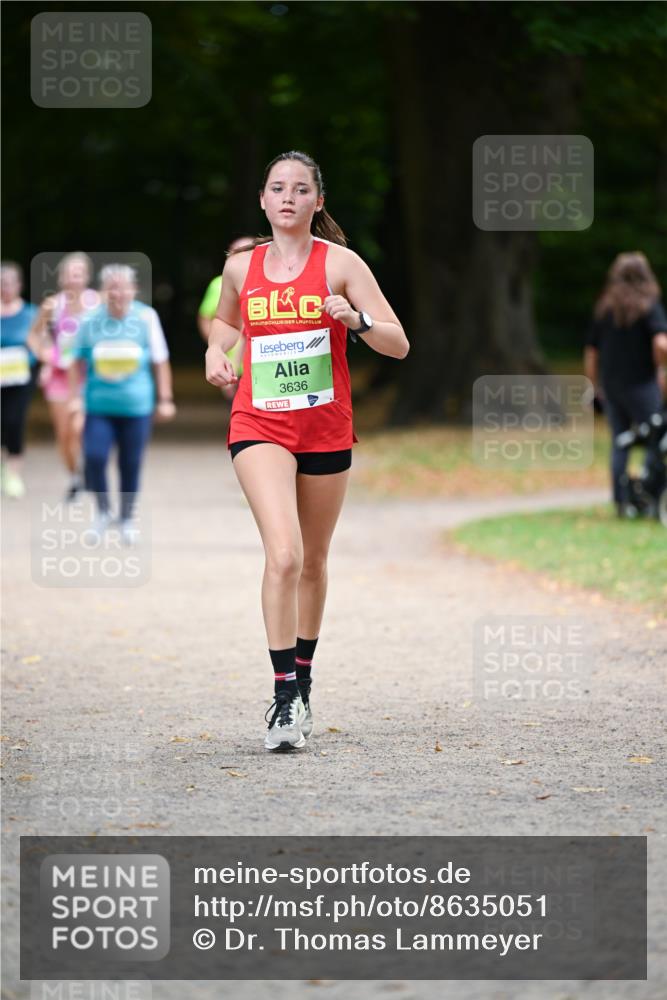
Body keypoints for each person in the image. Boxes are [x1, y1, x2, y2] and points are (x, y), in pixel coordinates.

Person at [205, 150, 409, 752]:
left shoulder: (342, 264)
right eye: (277, 188)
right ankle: (284, 695)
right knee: (286, 554)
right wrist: (218, 354)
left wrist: (357, 319)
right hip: (259, 421)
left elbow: (399, 344)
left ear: (317, 201)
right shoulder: (243, 268)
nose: (288, 197)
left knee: (315, 560)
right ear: (263, 201)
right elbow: (226, 326)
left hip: (324, 425)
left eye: (300, 189)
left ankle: (306, 678)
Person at [67, 264, 176, 543]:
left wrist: (165, 399)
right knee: (94, 456)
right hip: (98, 406)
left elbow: (160, 361)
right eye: (112, 287)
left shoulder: (146, 317)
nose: (117, 293)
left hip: (136, 407)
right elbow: (74, 362)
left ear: (134, 290)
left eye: (123, 287)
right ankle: (103, 511)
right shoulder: (90, 321)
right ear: (104, 291)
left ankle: (126, 518)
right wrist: (75, 398)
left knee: (130, 462)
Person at [584, 251, 667, 516]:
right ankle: (649, 494)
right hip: (642, 385)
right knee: (656, 438)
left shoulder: (605, 309)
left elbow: (591, 352)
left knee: (620, 442)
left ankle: (621, 501)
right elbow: (661, 343)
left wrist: (594, 385)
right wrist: (662, 367)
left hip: (611, 387)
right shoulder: (648, 306)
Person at [28, 252, 99, 501]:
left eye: (79, 273)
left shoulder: (97, 303)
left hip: (90, 376)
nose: (74, 278)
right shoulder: (52, 305)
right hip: (60, 376)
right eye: (70, 273)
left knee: (84, 429)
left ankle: (91, 469)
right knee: (65, 433)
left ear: (87, 277)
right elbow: (33, 336)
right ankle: (74, 477)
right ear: (61, 278)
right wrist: (45, 355)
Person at [198, 237, 253, 402]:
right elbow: (206, 317)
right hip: (231, 362)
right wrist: (215, 347)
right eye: (236, 252)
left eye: (247, 252)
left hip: (260, 364)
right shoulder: (218, 283)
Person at [0, 262, 38, 498]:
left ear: (19, 285)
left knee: (14, 421)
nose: (5, 288)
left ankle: (13, 473)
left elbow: (41, 346)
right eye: (1, 283)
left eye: (8, 283)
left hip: (21, 377)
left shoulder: (31, 313)